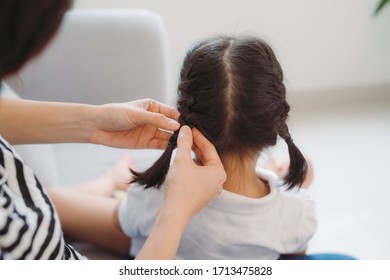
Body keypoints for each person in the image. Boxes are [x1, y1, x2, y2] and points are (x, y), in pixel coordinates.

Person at [50, 35, 318, 260]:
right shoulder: (299, 215)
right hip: (271, 209)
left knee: (51, 199)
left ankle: (109, 182)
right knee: (300, 175)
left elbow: (118, 220)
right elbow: (296, 256)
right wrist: (281, 185)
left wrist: (110, 183)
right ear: (274, 123)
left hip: (144, 236)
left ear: (186, 116)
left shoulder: (156, 195)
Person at [0, 0, 226, 260]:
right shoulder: (283, 206)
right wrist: (176, 211)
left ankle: (107, 182)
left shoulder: (147, 200)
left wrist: (93, 123)